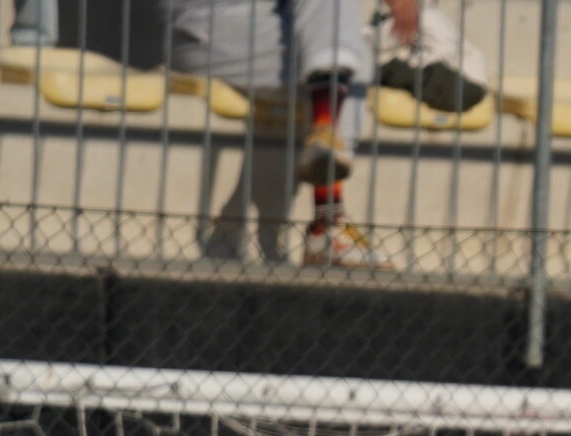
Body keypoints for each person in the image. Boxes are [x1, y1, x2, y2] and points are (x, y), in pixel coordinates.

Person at [162, 0, 414, 265]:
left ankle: (327, 212)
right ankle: (327, 219)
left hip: (246, 30)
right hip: (206, 28)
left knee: (346, 54)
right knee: (346, 56)